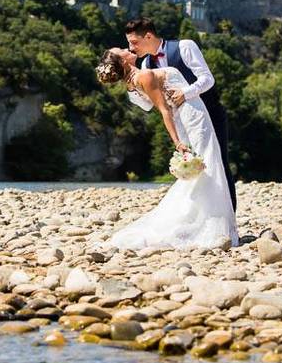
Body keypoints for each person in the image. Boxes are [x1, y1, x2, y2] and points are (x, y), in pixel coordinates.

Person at [96, 48, 238, 250]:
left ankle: (210, 222)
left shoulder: (132, 84)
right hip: (191, 114)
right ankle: (211, 227)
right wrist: (177, 142)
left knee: (207, 165)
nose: (127, 48)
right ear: (123, 62)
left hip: (186, 113)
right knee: (210, 162)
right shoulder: (143, 75)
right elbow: (163, 110)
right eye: (121, 50)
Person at [124, 17, 236, 211]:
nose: (131, 48)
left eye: (134, 42)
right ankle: (202, 217)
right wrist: (130, 88)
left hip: (210, 112)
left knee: (219, 163)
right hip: (182, 125)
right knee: (194, 169)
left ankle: (228, 218)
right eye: (128, 44)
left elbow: (208, 79)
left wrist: (186, 93)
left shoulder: (185, 46)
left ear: (148, 36)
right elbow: (148, 105)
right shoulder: (146, 66)